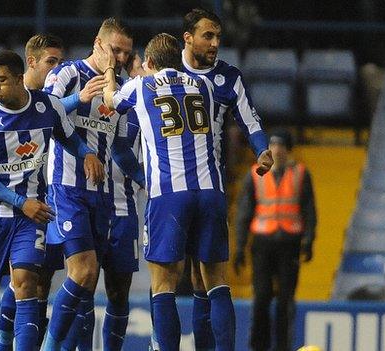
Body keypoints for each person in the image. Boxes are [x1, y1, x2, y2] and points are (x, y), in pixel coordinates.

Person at [101, 32, 273, 351]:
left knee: (163, 284)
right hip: (209, 190)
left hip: (169, 192)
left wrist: (111, 69)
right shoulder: (204, 86)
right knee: (216, 283)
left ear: (149, 62)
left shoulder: (141, 86)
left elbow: (110, 99)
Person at [0, 49, 104, 351]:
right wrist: (19, 201)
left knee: (26, 283)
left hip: (31, 215)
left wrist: (87, 153)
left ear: (18, 79)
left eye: (1, 80)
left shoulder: (47, 106)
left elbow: (67, 136)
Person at [41, 17, 145, 351]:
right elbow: (41, 113)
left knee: (88, 287)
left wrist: (149, 180)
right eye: (114, 50)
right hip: (66, 187)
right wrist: (78, 99)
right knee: (83, 272)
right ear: (97, 44)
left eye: (126, 55)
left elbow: (118, 150)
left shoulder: (119, 94)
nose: (119, 60)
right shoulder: (69, 73)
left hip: (101, 194)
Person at [177, 8, 273, 351]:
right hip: (170, 189)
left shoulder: (228, 77)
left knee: (207, 277)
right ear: (188, 38)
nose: (216, 43)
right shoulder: (166, 73)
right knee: (189, 278)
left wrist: (261, 149)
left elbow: (251, 120)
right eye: (208, 36)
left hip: (208, 187)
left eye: (218, 37)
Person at [233, 129, 316, 351]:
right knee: (261, 298)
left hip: (289, 242)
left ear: (288, 149)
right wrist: (240, 246)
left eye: (281, 145)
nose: (276, 150)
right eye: (273, 145)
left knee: (285, 301)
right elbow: (244, 212)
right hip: (262, 243)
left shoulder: (300, 173)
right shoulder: (255, 174)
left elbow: (309, 210)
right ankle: (258, 346)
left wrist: (309, 239)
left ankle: (283, 347)